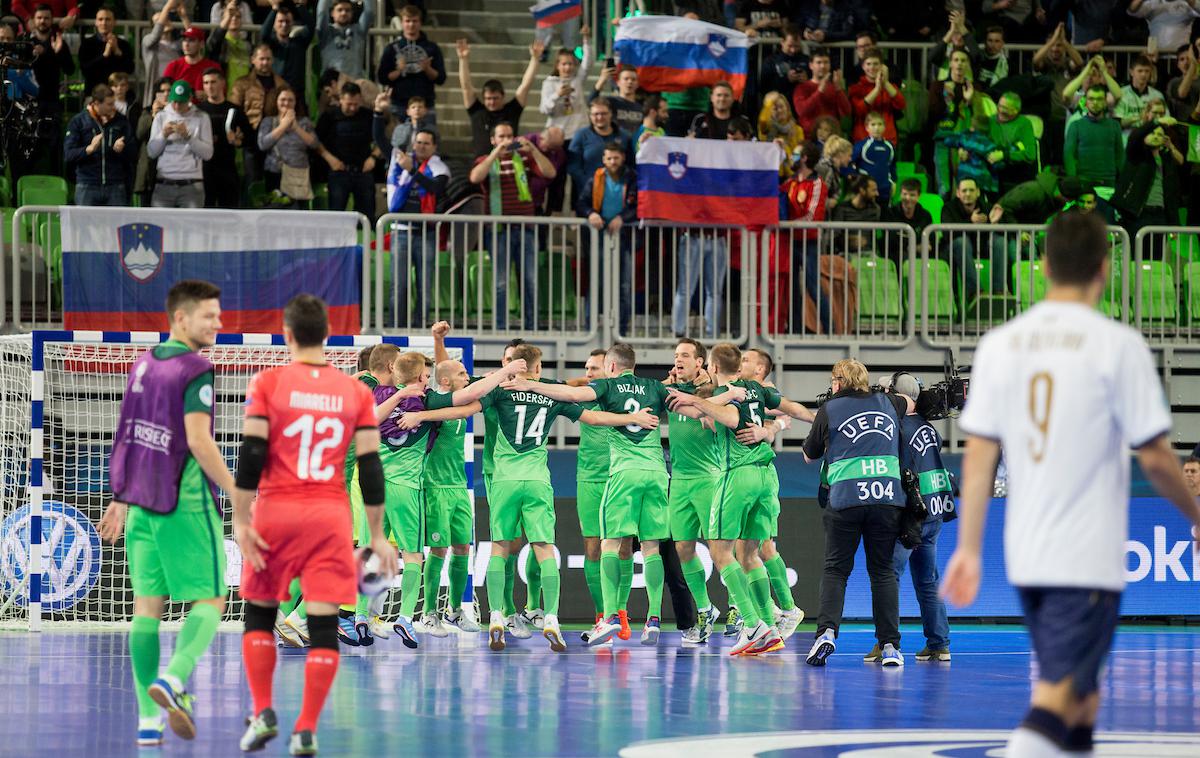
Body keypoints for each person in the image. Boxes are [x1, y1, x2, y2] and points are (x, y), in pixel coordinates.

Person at [942, 210, 1200, 758]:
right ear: (1105, 268)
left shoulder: (1001, 344)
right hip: (1085, 556)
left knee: (1082, 698)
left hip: (1026, 553)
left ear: (1042, 267)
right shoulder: (1117, 345)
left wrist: (967, 548)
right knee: (1057, 697)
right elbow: (1155, 458)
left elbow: (978, 457)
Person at [232, 294, 398, 756]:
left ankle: (264, 710)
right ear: (327, 336)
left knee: (261, 615)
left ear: (287, 335)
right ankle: (306, 727)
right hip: (329, 515)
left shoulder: (269, 382)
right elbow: (369, 465)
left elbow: (251, 456)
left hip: (276, 511)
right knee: (324, 625)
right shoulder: (355, 393)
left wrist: (242, 519)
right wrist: (378, 534)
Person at [439, 344, 656, 651]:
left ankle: (497, 614)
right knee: (544, 548)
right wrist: (630, 418)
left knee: (500, 547)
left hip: (504, 480)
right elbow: (592, 419)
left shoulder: (499, 390)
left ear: (514, 365)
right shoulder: (551, 391)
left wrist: (423, 414)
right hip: (538, 480)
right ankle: (551, 617)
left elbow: (463, 409)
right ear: (538, 369)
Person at [97, 280, 236, 748]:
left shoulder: (143, 363)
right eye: (209, 316)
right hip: (184, 502)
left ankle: (147, 721)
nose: (218, 323)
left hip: (140, 506)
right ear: (181, 318)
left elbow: (128, 432)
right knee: (213, 600)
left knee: (147, 610)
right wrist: (237, 491)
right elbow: (199, 442)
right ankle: (175, 679)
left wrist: (120, 495)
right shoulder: (195, 367)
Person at [508, 344, 674, 646]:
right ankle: (606, 615)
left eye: (593, 369)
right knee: (596, 547)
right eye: (585, 369)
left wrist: (525, 381)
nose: (588, 373)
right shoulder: (631, 390)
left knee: (622, 547)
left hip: (618, 474)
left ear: (608, 367)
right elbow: (568, 389)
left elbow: (569, 391)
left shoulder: (605, 390)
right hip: (594, 477)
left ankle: (618, 614)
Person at [373, 350, 529, 647]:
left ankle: (454, 609)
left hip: (460, 486)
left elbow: (462, 385)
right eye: (462, 374)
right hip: (433, 487)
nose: (467, 376)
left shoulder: (462, 398)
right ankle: (427, 612)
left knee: (462, 548)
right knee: (438, 549)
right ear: (444, 380)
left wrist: (440, 341)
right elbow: (450, 384)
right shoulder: (431, 400)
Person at [666, 343, 812, 655]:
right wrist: (823, 423)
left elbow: (722, 414)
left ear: (712, 367)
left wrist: (693, 400)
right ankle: (768, 625)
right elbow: (793, 409)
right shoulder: (755, 390)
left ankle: (752, 622)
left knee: (722, 552)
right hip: (766, 473)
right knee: (750, 553)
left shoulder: (735, 394)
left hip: (737, 474)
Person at [801, 358, 912, 667]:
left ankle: (826, 633)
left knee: (837, 570)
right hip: (886, 498)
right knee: (882, 572)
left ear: (838, 382)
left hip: (846, 498)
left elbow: (809, 456)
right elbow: (911, 402)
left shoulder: (830, 409)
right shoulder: (889, 402)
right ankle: (890, 645)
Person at [863, 372, 953, 664]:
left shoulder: (897, 426)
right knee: (928, 580)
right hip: (935, 510)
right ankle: (939, 644)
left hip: (911, 513)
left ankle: (887, 642)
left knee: (889, 576)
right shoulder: (927, 426)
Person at [738, 347, 811, 643]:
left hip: (760, 473)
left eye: (746, 360)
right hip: (741, 474)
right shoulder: (741, 388)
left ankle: (786, 609)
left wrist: (772, 429)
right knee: (745, 550)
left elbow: (785, 415)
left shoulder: (764, 390)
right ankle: (770, 609)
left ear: (759, 369)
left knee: (761, 548)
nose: (740, 363)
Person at [468, 122, 557, 330]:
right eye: (501, 137)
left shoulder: (524, 158)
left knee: (530, 280)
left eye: (510, 136)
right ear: (493, 139)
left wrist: (533, 149)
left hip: (525, 228)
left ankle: (532, 326)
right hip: (498, 230)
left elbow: (550, 172)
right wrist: (494, 155)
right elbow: (475, 177)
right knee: (501, 282)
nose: (506, 141)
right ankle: (500, 327)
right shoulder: (485, 160)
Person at [383, 128, 450, 328]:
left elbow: (435, 187)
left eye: (426, 143)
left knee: (424, 285)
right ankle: (396, 328)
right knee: (399, 285)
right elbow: (380, 138)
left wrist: (412, 170)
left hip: (426, 234)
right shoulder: (398, 163)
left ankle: (421, 328)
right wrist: (378, 115)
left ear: (434, 147)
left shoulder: (439, 167)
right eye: (418, 142)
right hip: (401, 232)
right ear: (413, 144)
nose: (421, 146)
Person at [576, 142, 637, 334]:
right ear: (603, 159)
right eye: (609, 158)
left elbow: (637, 205)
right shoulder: (595, 178)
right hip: (600, 236)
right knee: (596, 282)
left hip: (624, 237)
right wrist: (591, 213)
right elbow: (581, 203)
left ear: (623, 158)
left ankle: (621, 330)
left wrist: (622, 218)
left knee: (624, 285)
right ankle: (590, 327)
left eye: (616, 157)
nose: (613, 162)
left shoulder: (631, 177)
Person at [458, 38, 543, 157]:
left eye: (495, 98)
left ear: (503, 97)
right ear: (483, 98)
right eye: (488, 98)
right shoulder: (477, 111)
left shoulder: (512, 110)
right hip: (482, 162)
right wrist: (463, 59)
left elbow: (525, 86)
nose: (492, 102)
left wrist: (535, 59)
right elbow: (466, 86)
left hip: (509, 160)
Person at [783, 141, 830, 334]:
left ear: (804, 158)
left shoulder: (817, 183)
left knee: (812, 285)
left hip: (808, 241)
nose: (792, 157)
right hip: (790, 241)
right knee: (792, 287)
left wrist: (788, 225)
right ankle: (794, 329)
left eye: (794, 154)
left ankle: (830, 329)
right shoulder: (790, 181)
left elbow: (813, 215)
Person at [1113, 120, 1184, 248]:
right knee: (1136, 258)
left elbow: (1172, 193)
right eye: (1152, 133)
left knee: (1157, 260)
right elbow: (1136, 136)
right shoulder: (1136, 154)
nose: (1156, 136)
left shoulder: (1166, 160)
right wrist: (1156, 121)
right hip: (1139, 214)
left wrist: (1174, 224)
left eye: (1160, 134)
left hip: (1161, 215)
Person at [316, 81, 380, 219]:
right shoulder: (329, 115)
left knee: (367, 215)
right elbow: (316, 142)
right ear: (340, 100)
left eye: (356, 104)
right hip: (338, 171)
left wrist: (373, 157)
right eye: (348, 104)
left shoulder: (368, 116)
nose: (352, 108)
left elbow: (382, 140)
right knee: (336, 216)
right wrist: (330, 159)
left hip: (363, 171)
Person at [64, 83, 136, 206]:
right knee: (85, 225)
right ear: (96, 103)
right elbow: (68, 155)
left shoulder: (121, 121)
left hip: (115, 185)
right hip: (87, 184)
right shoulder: (78, 121)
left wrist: (121, 150)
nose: (113, 107)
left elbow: (133, 153)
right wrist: (89, 149)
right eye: (109, 104)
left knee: (116, 225)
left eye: (113, 103)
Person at [229, 44, 288, 188]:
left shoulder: (281, 84)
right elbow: (233, 110)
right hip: (250, 137)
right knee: (253, 180)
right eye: (261, 59)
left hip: (274, 138)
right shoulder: (242, 83)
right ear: (253, 60)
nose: (265, 62)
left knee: (273, 181)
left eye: (268, 59)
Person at [148, 80, 214, 208]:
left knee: (191, 227)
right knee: (162, 227)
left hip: (192, 185)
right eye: (174, 101)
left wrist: (188, 136)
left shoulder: (202, 117)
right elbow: (151, 152)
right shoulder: (161, 117)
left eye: (181, 102)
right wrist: (163, 135)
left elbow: (208, 154)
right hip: (164, 183)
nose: (177, 106)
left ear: (190, 98)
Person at [378, 4, 447, 121]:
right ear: (402, 23)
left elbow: (441, 79)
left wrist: (427, 69)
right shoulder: (391, 48)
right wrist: (399, 71)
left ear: (420, 23)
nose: (411, 24)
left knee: (426, 139)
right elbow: (382, 78)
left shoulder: (432, 48)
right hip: (398, 105)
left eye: (414, 21)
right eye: (407, 21)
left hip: (425, 106)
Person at [197, 67, 251, 208]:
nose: (209, 86)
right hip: (203, 171)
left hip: (228, 169)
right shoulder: (197, 111)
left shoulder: (235, 110)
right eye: (206, 83)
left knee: (229, 215)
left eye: (213, 82)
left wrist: (238, 141)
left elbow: (249, 138)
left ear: (222, 83)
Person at [568, 97, 633, 206]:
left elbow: (631, 164)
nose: (599, 117)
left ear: (611, 114)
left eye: (604, 114)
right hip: (588, 196)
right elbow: (573, 167)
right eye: (595, 114)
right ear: (590, 116)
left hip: (617, 195)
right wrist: (589, 184)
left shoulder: (624, 136)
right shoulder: (581, 135)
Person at [257, 88, 318, 204]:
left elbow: (315, 144)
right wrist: (283, 126)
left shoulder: (304, 122)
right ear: (276, 101)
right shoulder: (268, 121)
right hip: (275, 173)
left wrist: (296, 128)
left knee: (297, 214)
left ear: (295, 103)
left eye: (290, 100)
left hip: (298, 176)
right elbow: (263, 144)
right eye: (283, 99)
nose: (286, 103)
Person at [1065, 85, 1125, 191]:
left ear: (1105, 102)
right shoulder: (1076, 125)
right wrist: (1073, 180)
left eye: (1099, 99)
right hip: (1083, 181)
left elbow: (1120, 155)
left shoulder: (1115, 125)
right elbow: (1069, 155)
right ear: (1085, 101)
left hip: (1108, 181)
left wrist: (1122, 179)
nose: (1095, 102)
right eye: (1091, 99)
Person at [539, 36, 594, 143]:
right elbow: (544, 109)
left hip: (579, 131)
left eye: (571, 64)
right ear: (557, 65)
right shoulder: (549, 83)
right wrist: (557, 95)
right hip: (558, 133)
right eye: (564, 64)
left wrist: (586, 40)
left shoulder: (577, 80)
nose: (568, 68)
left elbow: (587, 64)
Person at [849, 48, 905, 144]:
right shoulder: (856, 88)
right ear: (863, 66)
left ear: (882, 66)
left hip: (888, 139)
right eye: (868, 64)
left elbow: (901, 104)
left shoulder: (890, 87)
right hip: (862, 139)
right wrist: (876, 90)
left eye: (875, 64)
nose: (872, 67)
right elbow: (858, 110)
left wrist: (886, 83)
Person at [792, 48, 851, 138]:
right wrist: (819, 91)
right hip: (809, 136)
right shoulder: (802, 88)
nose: (823, 66)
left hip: (832, 136)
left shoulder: (834, 87)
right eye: (819, 63)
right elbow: (802, 111)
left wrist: (839, 88)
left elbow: (846, 111)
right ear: (811, 65)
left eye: (826, 62)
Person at [262, 1, 314, 96]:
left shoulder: (299, 43)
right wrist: (274, 9)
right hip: (274, 93)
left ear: (292, 23)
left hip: (296, 94)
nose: (284, 25)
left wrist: (300, 6)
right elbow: (264, 34)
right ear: (274, 24)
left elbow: (311, 27)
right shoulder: (271, 44)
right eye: (280, 21)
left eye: (287, 21)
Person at [79, 7, 134, 93]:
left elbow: (130, 69)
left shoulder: (123, 44)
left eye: (108, 19)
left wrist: (117, 51)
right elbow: (85, 71)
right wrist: (104, 55)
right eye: (100, 19)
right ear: (96, 22)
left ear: (114, 22)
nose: (104, 23)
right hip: (95, 94)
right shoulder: (87, 44)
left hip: (119, 95)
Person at [141, 0, 185, 107]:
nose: (164, 21)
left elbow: (194, 39)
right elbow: (155, 36)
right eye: (159, 21)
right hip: (158, 91)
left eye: (166, 18)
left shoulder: (179, 45)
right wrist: (167, 7)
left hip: (176, 91)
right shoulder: (148, 42)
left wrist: (184, 17)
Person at [316, 0, 375, 80]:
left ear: (352, 13)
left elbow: (369, 12)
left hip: (353, 85)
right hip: (332, 85)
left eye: (347, 10)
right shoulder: (326, 32)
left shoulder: (359, 31)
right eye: (339, 10)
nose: (343, 13)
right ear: (332, 13)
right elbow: (322, 12)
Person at [758, 25, 809, 114]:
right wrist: (786, 79)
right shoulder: (771, 61)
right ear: (782, 42)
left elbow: (816, 83)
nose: (793, 50)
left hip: (801, 107)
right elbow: (763, 86)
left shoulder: (807, 60)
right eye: (790, 46)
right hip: (777, 108)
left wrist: (807, 79)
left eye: (797, 46)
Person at [1115, 55, 1168, 139]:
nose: (1144, 74)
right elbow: (1116, 123)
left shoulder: (1157, 95)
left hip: (1151, 139)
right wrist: (1140, 117)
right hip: (1127, 139)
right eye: (1140, 71)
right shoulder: (1121, 93)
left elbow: (1165, 120)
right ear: (1131, 72)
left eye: (1147, 71)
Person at [852, 112, 895, 204]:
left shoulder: (890, 146)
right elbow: (849, 163)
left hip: (885, 189)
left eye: (880, 124)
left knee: (884, 215)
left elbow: (892, 166)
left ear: (884, 127)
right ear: (867, 127)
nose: (877, 128)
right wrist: (855, 180)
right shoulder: (861, 146)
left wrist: (894, 182)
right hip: (866, 190)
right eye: (873, 124)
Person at [163, 26, 221, 95]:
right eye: (184, 40)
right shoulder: (173, 66)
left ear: (201, 44)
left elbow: (221, 92)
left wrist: (209, 95)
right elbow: (164, 92)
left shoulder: (213, 67)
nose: (186, 44)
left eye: (191, 40)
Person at [591, 63, 644, 135]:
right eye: (626, 79)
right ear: (618, 82)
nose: (630, 82)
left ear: (637, 84)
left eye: (633, 79)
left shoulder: (642, 107)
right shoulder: (610, 102)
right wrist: (602, 80)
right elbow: (591, 103)